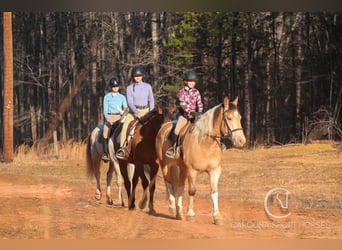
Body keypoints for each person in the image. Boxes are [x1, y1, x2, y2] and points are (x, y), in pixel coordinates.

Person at [115, 65, 155, 160]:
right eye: (136, 76)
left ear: (142, 76)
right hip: (134, 111)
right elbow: (130, 102)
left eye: (139, 75)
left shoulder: (148, 86)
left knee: (156, 125)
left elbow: (151, 100)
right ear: (133, 77)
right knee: (125, 125)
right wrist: (137, 112)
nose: (138, 77)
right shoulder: (129, 88)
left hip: (146, 110)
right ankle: (122, 148)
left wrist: (151, 112)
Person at [165, 70, 203, 159]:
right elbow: (183, 105)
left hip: (196, 116)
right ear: (185, 81)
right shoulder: (181, 92)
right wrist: (190, 113)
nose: (192, 83)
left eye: (193, 81)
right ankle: (174, 148)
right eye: (190, 81)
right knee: (176, 130)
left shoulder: (196, 92)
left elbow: (200, 104)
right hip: (184, 116)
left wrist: (199, 113)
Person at [102, 76, 128, 161]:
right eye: (113, 86)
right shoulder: (107, 97)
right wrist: (108, 119)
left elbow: (125, 108)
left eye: (116, 86)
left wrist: (124, 115)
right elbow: (105, 110)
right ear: (111, 87)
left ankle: (123, 150)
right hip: (110, 116)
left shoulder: (122, 97)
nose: (115, 88)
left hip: (120, 117)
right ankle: (105, 154)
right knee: (105, 133)